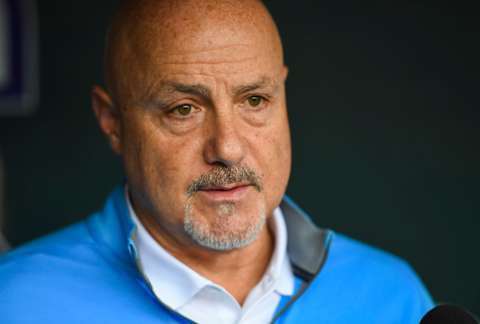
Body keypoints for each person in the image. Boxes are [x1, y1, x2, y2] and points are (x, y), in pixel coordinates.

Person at [0, 0, 434, 323]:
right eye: (183, 109)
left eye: (254, 100)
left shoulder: (394, 297)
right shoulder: (14, 302)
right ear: (112, 122)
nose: (227, 147)